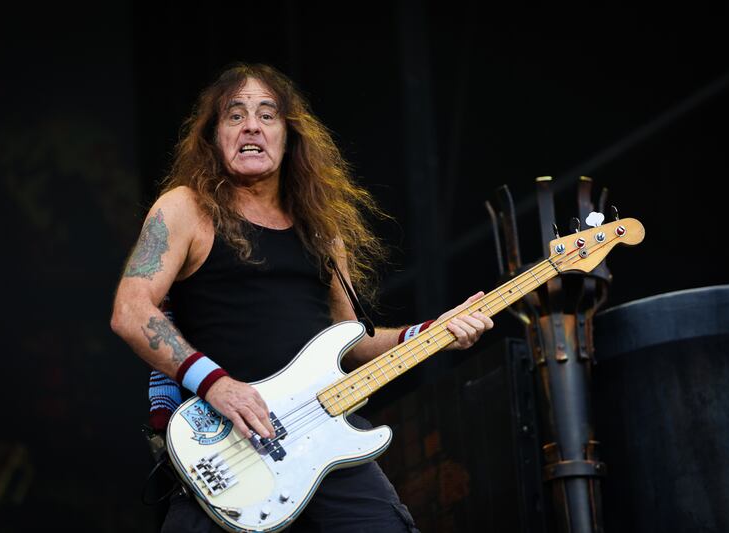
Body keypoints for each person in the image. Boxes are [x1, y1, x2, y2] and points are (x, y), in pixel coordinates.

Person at [110, 62, 493, 533]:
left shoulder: (321, 229)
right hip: (226, 450)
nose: (252, 125)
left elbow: (348, 343)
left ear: (290, 137)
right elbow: (131, 311)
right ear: (213, 137)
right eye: (235, 115)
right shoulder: (185, 208)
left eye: (268, 115)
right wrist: (216, 384)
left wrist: (432, 334)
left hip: (320, 438)